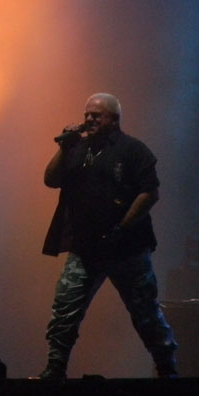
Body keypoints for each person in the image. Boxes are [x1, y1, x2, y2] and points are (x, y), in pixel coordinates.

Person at [37, 93, 177, 379]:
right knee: (65, 308)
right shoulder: (77, 149)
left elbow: (150, 193)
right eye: (87, 114)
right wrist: (64, 148)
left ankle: (166, 367)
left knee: (145, 311)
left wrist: (122, 227)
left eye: (97, 115)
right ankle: (55, 367)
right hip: (85, 248)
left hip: (127, 248)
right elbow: (50, 180)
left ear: (114, 119)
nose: (89, 119)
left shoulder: (134, 150)